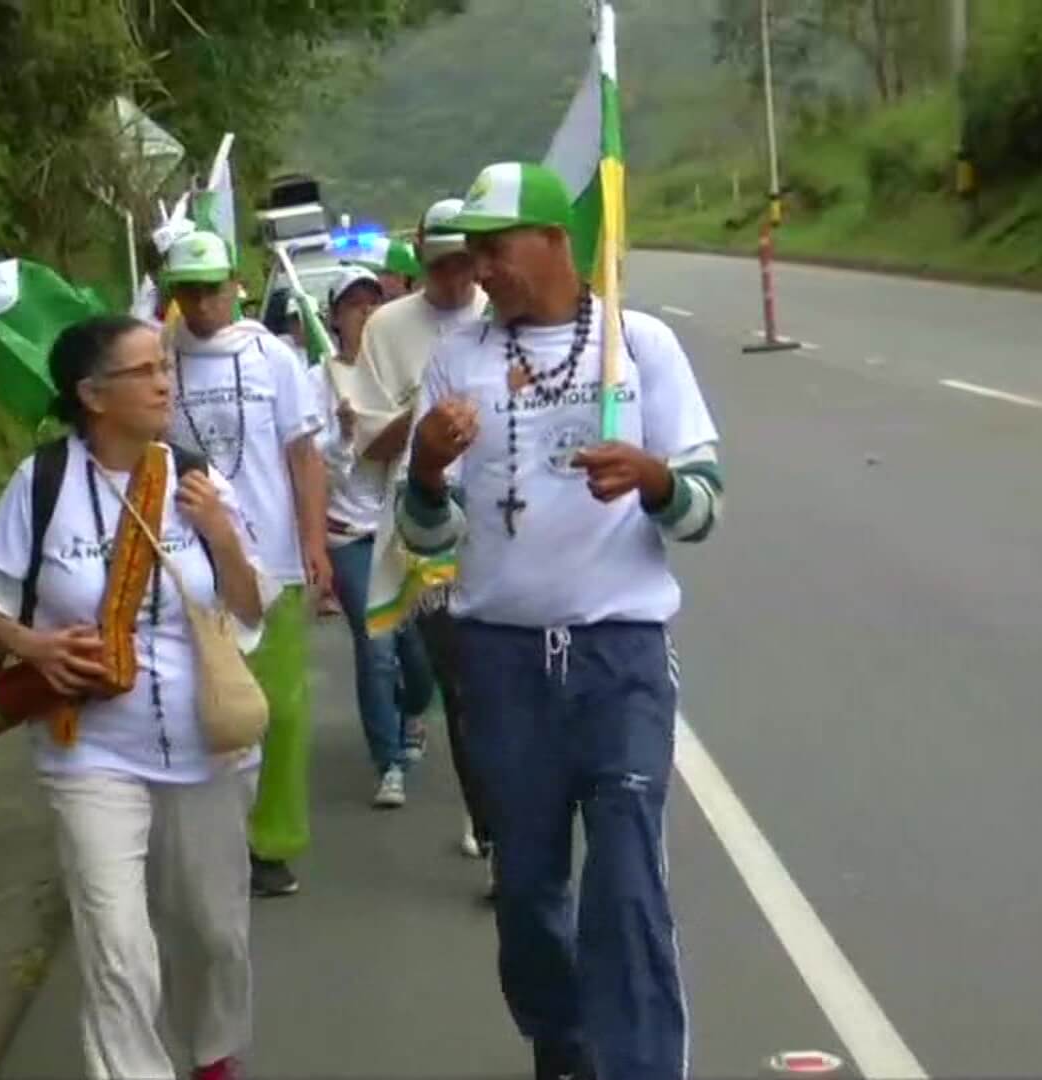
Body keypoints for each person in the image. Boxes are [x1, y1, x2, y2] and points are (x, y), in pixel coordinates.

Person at [400, 161, 724, 1080]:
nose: (482, 269)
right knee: (529, 890)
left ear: (554, 243)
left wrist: (656, 481)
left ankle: (641, 1065)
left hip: (617, 653)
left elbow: (706, 506)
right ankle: (563, 1043)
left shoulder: (641, 346)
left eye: (495, 249)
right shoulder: (458, 362)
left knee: (625, 881)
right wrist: (425, 470)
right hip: (499, 660)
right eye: (471, 253)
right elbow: (429, 529)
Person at [0, 314, 273, 1080]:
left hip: (207, 746)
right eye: (145, 370)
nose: (166, 380)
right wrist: (34, 648)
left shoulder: (197, 479)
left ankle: (210, 1054)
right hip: (91, 752)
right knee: (118, 947)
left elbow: (253, 607)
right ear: (93, 395)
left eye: (166, 366)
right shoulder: (43, 484)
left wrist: (220, 534)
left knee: (213, 936)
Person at [161, 230, 330, 899]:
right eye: (188, 291)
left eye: (212, 287)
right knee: (204, 705)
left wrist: (313, 541)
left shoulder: (273, 358)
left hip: (273, 561)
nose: (203, 303)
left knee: (280, 710)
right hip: (188, 563)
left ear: (236, 283)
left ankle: (271, 842)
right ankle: (211, 838)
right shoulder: (156, 360)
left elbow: (304, 455)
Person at [351, 197, 492, 864]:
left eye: (467, 262)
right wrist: (426, 417)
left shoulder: (502, 314)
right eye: (442, 266)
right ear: (420, 258)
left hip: (503, 520)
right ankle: (488, 821)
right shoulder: (387, 328)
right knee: (461, 678)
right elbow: (371, 448)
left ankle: (509, 804)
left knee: (508, 677)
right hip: (422, 523)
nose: (457, 278)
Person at [306, 266, 436, 808]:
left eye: (373, 303)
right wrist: (342, 434)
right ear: (335, 316)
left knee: (421, 656)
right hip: (351, 535)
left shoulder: (400, 368)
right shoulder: (319, 380)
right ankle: (389, 763)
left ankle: (409, 714)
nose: (365, 313)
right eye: (354, 306)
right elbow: (316, 470)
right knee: (376, 643)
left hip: (403, 529)